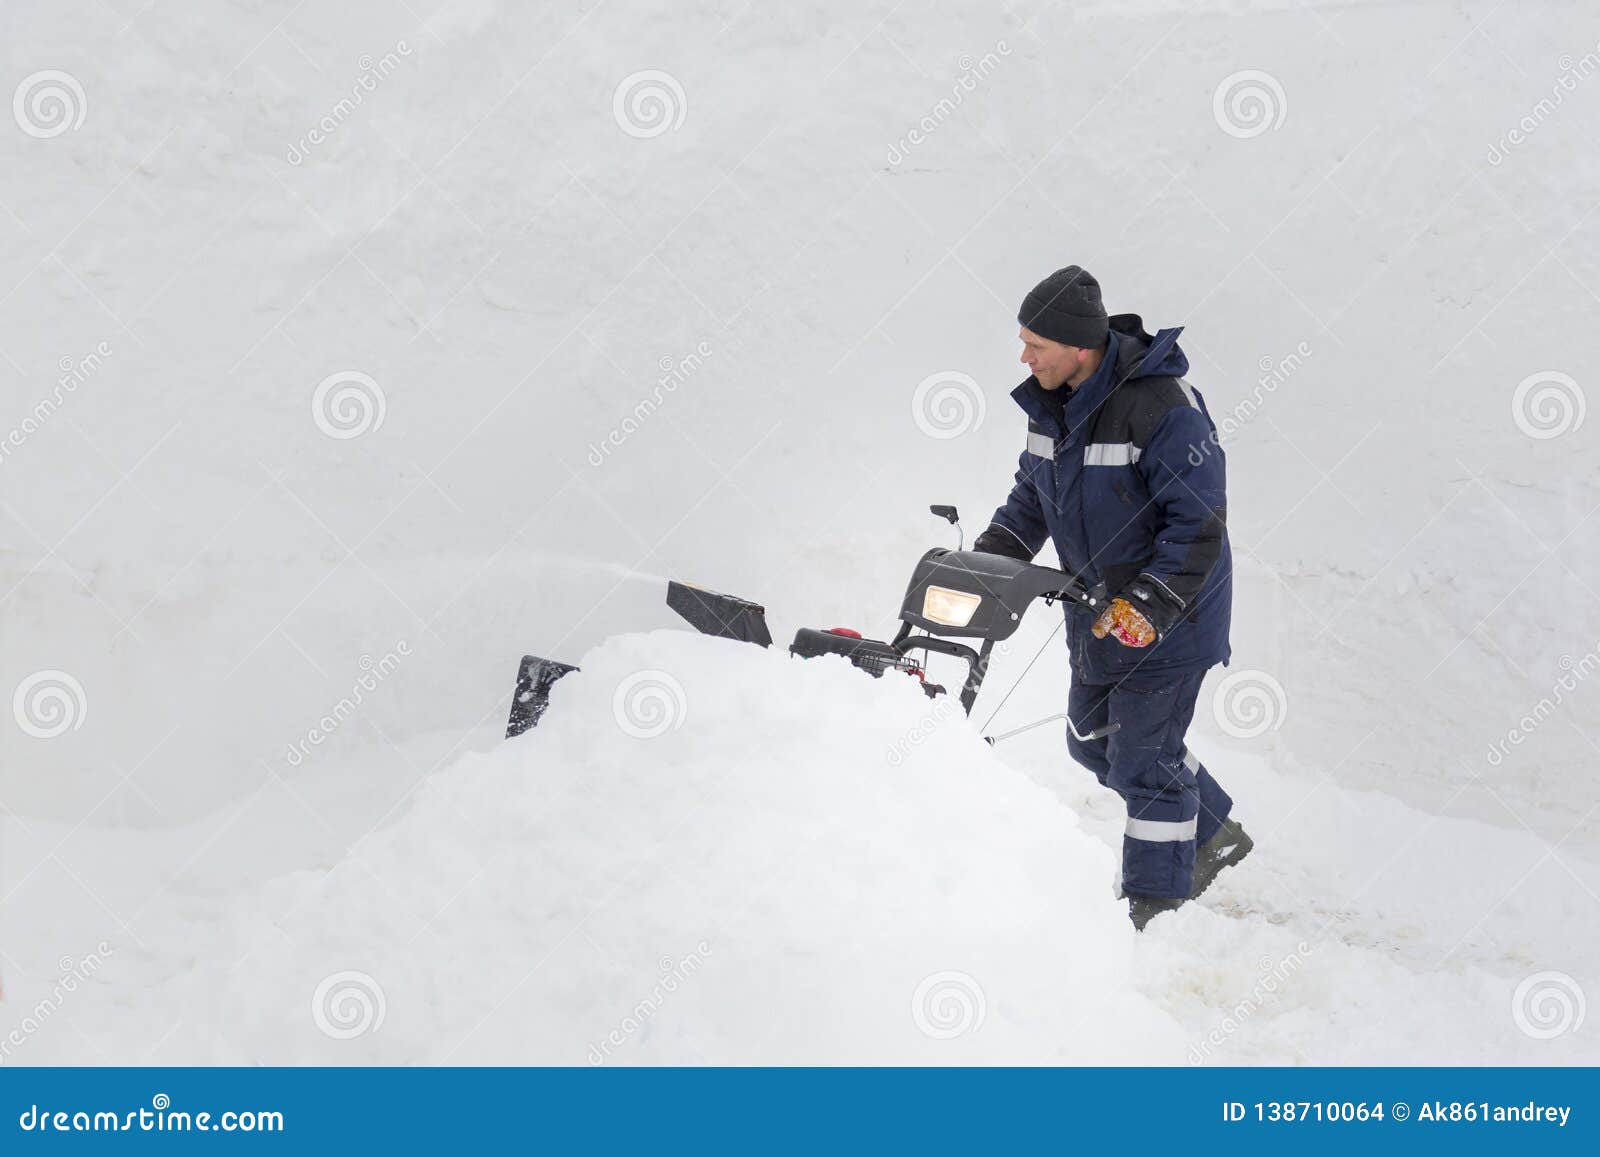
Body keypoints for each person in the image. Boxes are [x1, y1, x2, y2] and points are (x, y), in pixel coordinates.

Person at [972, 265, 1253, 930]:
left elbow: (1198, 524)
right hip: (1099, 615)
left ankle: (1156, 908)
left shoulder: (1164, 410)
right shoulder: (1053, 408)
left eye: (1034, 344)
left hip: (1169, 618)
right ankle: (1214, 830)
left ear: (1078, 348)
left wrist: (1150, 605)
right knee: (1090, 740)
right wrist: (989, 558)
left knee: (1144, 762)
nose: (1024, 356)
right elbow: (1030, 498)